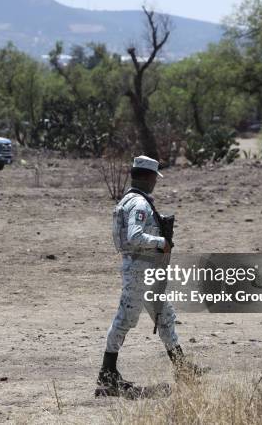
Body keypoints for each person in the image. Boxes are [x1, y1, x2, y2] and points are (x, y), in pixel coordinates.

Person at [98, 155, 202, 393]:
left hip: (145, 270)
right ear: (147, 177)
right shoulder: (139, 204)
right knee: (125, 320)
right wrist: (161, 242)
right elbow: (135, 237)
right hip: (139, 271)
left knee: (165, 317)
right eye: (154, 177)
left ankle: (182, 368)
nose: (156, 181)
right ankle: (107, 374)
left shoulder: (130, 199)